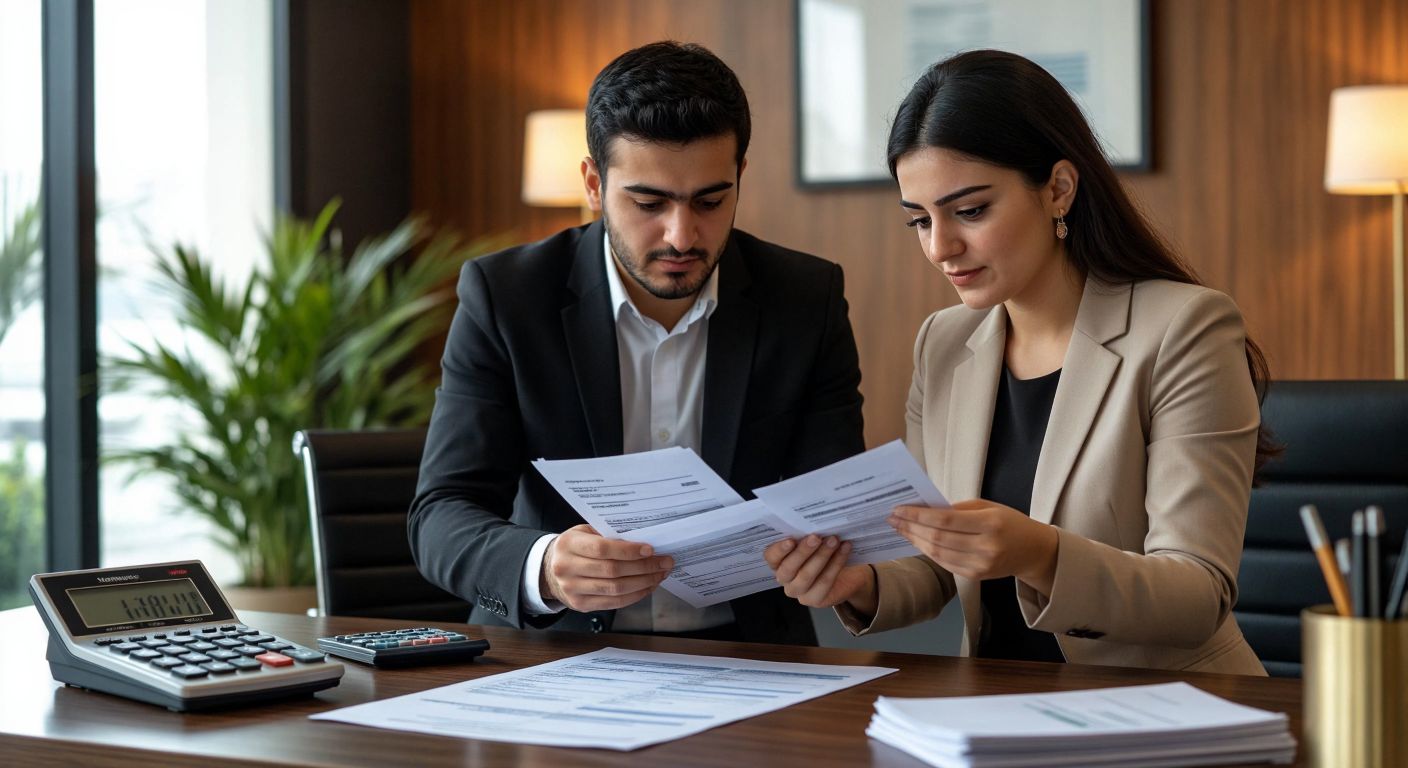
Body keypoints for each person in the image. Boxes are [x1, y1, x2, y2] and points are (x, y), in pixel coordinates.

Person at [765, 49, 1271, 674]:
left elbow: (1199, 594)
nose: (940, 247)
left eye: (970, 211)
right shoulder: (944, 341)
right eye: (919, 221)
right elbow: (935, 564)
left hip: (1165, 709)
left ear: (1058, 188)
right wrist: (858, 584)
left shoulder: (1184, 328)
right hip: (998, 707)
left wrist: (1041, 553)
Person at [408, 41, 864, 645]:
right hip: (551, 657)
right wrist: (543, 566)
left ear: (740, 178)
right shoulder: (507, 297)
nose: (682, 235)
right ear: (594, 184)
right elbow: (440, 515)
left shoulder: (806, 298)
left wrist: (827, 551)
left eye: (711, 200)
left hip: (753, 657)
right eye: (648, 203)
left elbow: (834, 502)